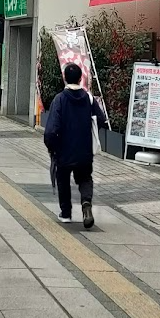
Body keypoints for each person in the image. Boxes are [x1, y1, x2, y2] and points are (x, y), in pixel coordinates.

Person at [43, 63, 107, 228]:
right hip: (84, 149)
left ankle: (66, 213)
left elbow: (51, 130)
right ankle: (86, 204)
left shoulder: (60, 100)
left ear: (64, 77)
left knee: (63, 178)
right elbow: (100, 119)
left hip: (64, 151)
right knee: (85, 178)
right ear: (80, 78)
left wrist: (52, 146)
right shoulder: (89, 98)